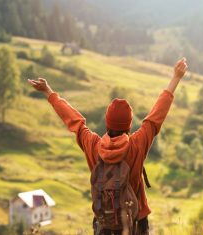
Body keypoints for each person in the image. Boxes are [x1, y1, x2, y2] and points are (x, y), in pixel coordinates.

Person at [28, 57, 188, 234]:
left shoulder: (93, 144)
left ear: (107, 123)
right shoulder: (137, 144)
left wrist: (49, 92)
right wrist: (176, 77)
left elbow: (74, 121)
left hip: (104, 225)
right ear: (128, 125)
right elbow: (156, 115)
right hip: (135, 223)